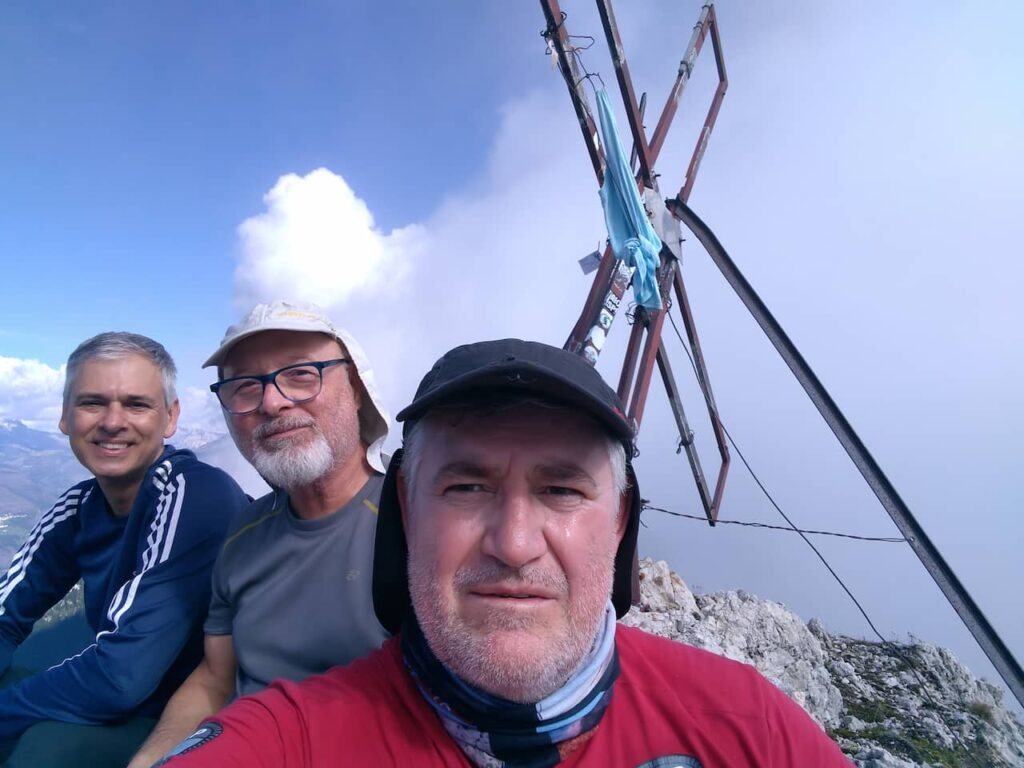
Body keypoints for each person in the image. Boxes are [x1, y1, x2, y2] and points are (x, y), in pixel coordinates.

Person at [155, 338, 852, 767]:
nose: (515, 545)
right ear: (405, 511)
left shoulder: (745, 725)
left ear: (619, 523)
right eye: (465, 486)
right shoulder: (294, 737)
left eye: (561, 488)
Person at [129, 301, 391, 768]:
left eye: (301, 374)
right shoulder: (243, 535)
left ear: (353, 389)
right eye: (244, 386)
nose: (271, 401)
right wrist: (154, 758)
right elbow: (214, 679)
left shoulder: (417, 520)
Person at [0, 332, 249, 767]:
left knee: (42, 753)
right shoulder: (78, 508)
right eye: (92, 403)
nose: (113, 422)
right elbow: (6, 614)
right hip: (127, 709)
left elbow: (121, 678)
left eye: (137, 404)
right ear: (64, 417)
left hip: (201, 722)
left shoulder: (195, 494)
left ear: (170, 418)